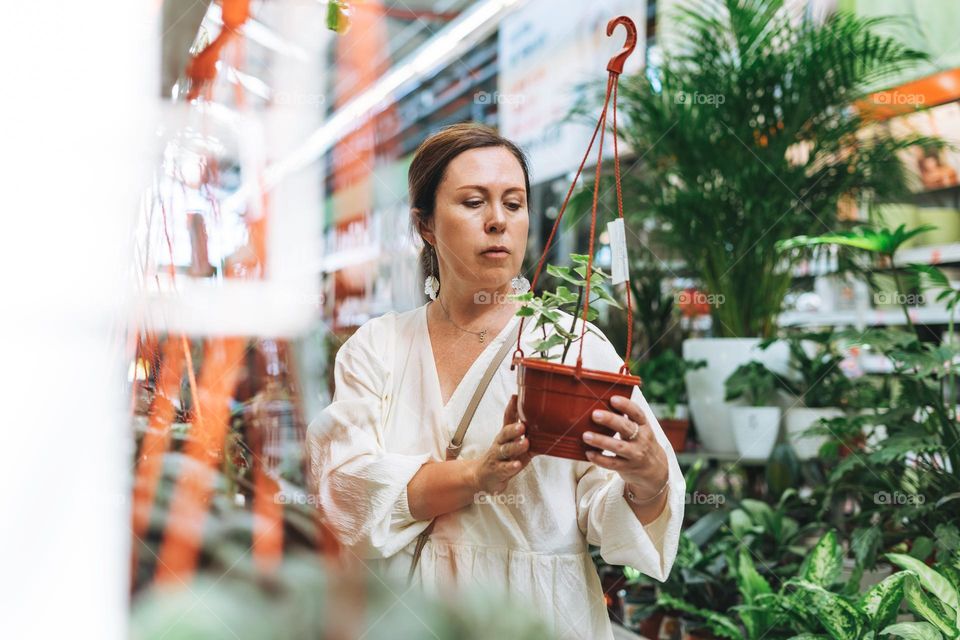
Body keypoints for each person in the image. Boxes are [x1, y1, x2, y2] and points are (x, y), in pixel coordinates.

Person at [308, 123, 684, 640]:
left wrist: (650, 478)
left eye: (513, 203)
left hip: (540, 620)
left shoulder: (571, 347)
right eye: (472, 202)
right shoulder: (378, 348)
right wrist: (474, 475)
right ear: (425, 225)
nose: (497, 223)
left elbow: (609, 512)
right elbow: (344, 493)